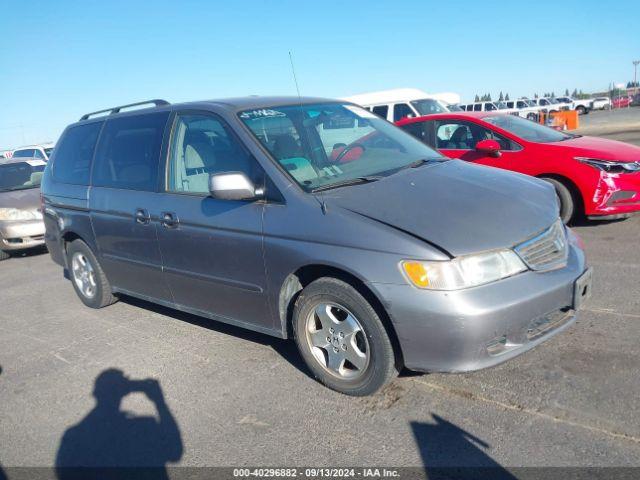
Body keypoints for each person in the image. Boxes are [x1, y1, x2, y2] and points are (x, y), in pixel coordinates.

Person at [56, 369, 183, 480]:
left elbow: (64, 474)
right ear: (126, 391)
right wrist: (160, 402)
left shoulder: (74, 437)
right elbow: (174, 452)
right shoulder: (143, 427)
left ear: (96, 394)